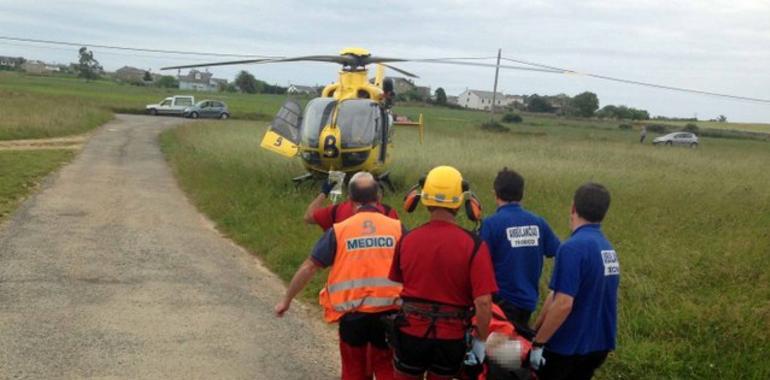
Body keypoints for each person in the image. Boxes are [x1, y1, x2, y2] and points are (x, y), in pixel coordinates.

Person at [276, 172, 405, 380]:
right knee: (386, 369)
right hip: (389, 313)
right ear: (379, 198)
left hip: (352, 315)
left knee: (353, 370)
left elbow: (309, 267)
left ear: (351, 201)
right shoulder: (397, 227)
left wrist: (286, 300)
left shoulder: (339, 231)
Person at [388, 166, 498, 380]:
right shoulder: (474, 245)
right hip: (451, 338)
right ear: (464, 202)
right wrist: (480, 342)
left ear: (422, 199)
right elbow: (483, 302)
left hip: (411, 332)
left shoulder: (407, 240)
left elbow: (399, 283)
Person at [529, 182, 619, 380]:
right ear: (604, 213)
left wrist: (538, 343)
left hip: (568, 348)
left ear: (573, 208)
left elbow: (563, 304)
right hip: (598, 346)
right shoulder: (608, 249)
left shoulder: (572, 248)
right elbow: (555, 294)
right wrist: (535, 330)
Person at [479, 168, 560, 328]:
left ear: (495, 193)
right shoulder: (538, 222)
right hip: (529, 303)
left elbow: (479, 264)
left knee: (499, 351)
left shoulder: (491, 224)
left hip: (500, 305)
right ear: (522, 194)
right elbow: (560, 252)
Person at [304, 178, 400, 231]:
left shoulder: (338, 210)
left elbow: (308, 217)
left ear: (349, 198)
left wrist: (324, 193)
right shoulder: (388, 212)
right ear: (379, 197)